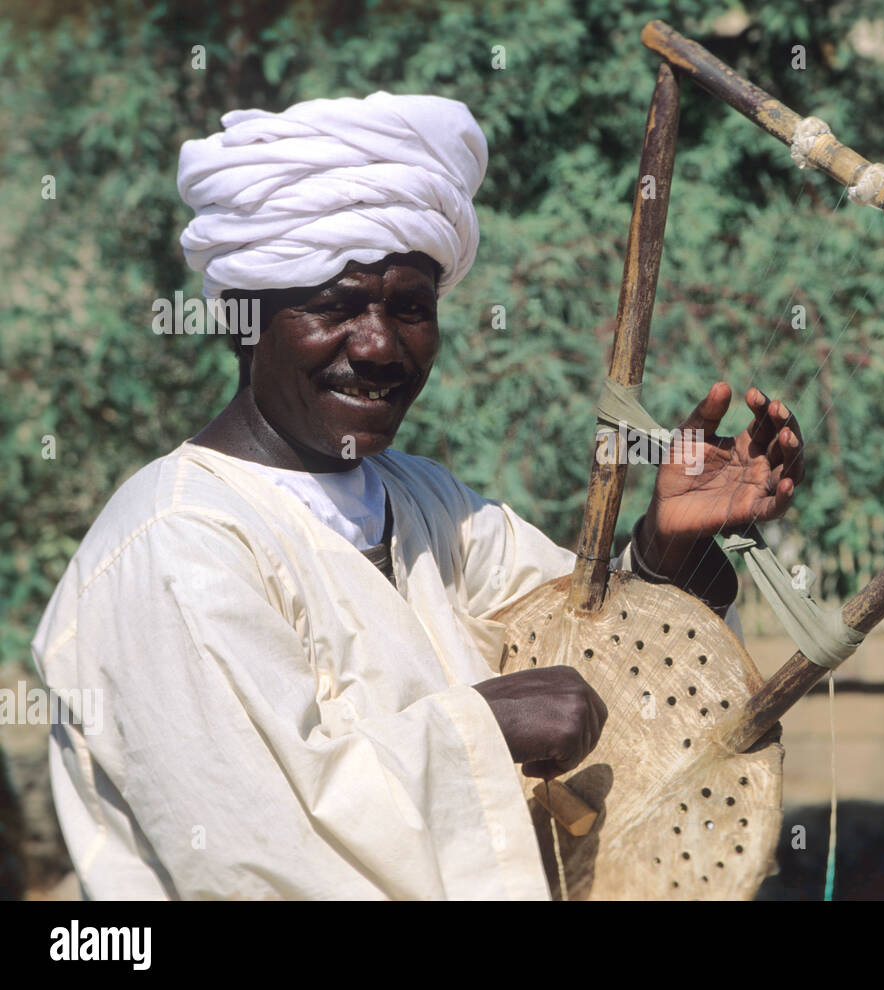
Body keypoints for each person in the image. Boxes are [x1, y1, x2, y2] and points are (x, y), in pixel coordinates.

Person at [31, 92, 805, 899]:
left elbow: (591, 660)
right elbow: (263, 850)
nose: (378, 346)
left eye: (410, 309)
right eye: (334, 307)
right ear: (243, 322)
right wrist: (485, 727)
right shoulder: (176, 544)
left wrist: (665, 544)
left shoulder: (431, 504)